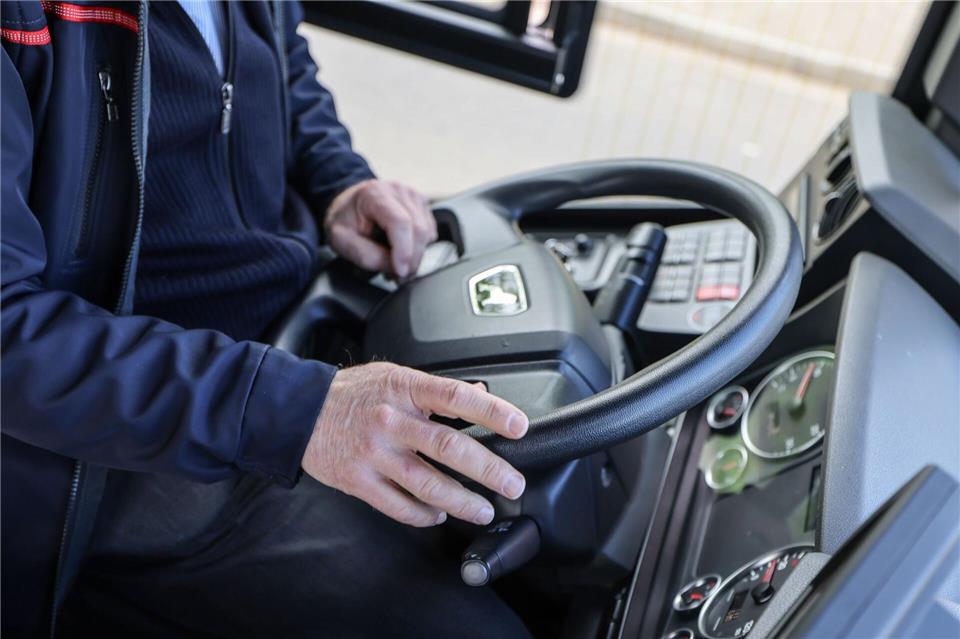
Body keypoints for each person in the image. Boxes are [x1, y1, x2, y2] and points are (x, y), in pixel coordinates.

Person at [1, 1, 531, 636]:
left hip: (294, 338)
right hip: (127, 443)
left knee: (545, 552)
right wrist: (293, 409)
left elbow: (283, 67)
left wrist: (339, 184)